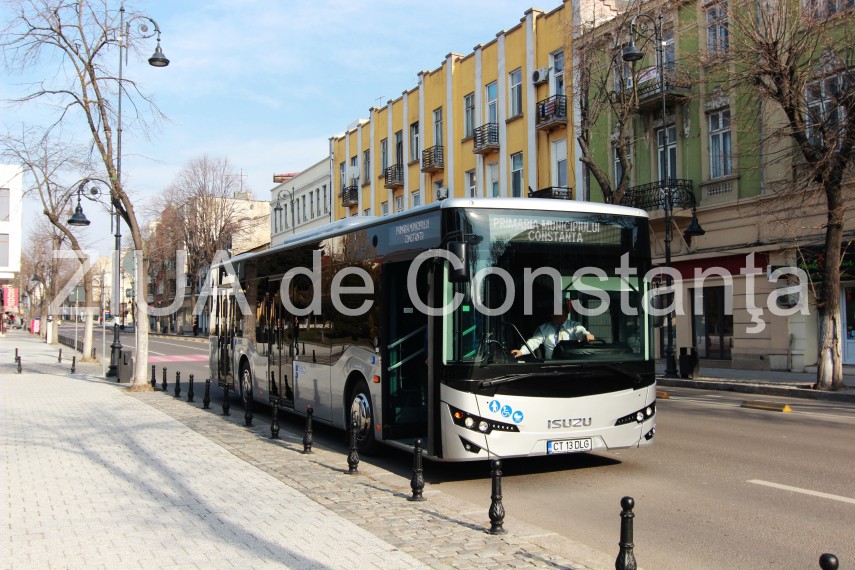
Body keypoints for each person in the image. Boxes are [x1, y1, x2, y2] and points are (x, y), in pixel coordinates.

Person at [511, 306, 594, 359]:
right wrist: (522, 351)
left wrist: (586, 335)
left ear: (565, 315)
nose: (552, 315)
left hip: (571, 365)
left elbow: (580, 331)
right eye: (552, 313)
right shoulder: (544, 328)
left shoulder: (574, 326)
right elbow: (534, 341)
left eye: (556, 313)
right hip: (550, 365)